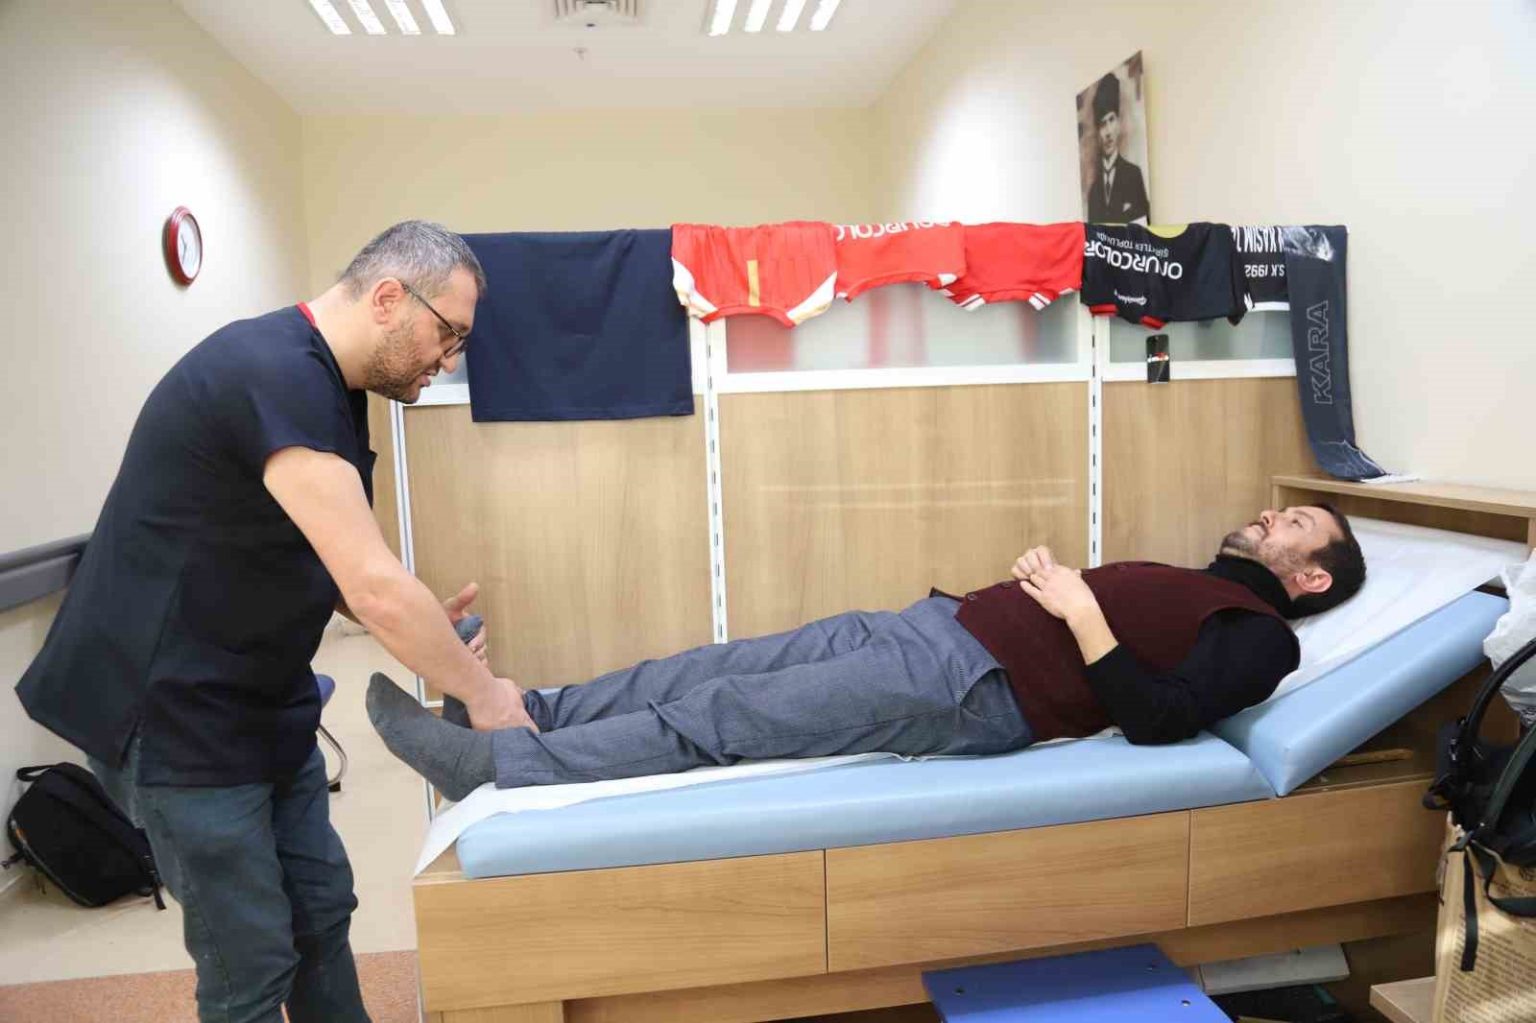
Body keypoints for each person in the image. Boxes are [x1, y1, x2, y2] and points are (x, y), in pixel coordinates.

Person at [15, 221, 537, 1023]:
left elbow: (330, 558)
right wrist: (486, 693)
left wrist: (424, 621)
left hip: (260, 697)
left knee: (321, 911)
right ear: (389, 297)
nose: (449, 359)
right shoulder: (272, 371)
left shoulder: (333, 390)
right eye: (448, 334)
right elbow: (371, 585)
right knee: (250, 959)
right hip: (174, 716)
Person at [367, 506, 1366, 801]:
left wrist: (1080, 611)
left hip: (974, 688)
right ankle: (528, 711)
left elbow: (1160, 717)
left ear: (1311, 577)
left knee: (731, 718)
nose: (1268, 516)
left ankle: (499, 766)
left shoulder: (1263, 636)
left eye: (1294, 526)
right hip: (936, 629)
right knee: (711, 669)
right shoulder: (1199, 583)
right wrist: (1055, 594)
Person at [1086, 71, 1150, 224]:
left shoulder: (1134, 175)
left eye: (1111, 120)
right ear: (1098, 132)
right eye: (1102, 124)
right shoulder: (1094, 192)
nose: (1108, 132)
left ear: (1119, 123)